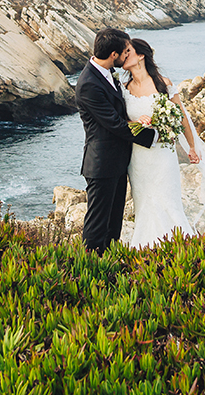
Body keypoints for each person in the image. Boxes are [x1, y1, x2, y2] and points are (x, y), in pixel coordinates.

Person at [122, 38, 205, 248]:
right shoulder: (124, 88)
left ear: (141, 56)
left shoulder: (163, 83)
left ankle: (179, 250)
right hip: (138, 158)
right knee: (144, 205)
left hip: (162, 155)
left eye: (128, 51)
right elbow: (121, 120)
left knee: (168, 203)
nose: (124, 55)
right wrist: (135, 122)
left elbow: (181, 117)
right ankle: (145, 251)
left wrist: (191, 146)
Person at [75, 27, 155, 254]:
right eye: (124, 52)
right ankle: (90, 269)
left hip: (117, 163)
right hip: (101, 165)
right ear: (113, 55)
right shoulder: (89, 84)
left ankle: (108, 267)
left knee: (114, 225)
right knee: (97, 225)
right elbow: (115, 124)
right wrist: (155, 136)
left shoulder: (107, 73)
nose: (126, 56)